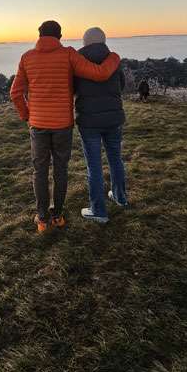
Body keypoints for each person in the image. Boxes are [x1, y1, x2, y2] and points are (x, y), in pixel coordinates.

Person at [10, 20, 121, 233]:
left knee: (40, 171)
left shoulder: (27, 58)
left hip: (38, 124)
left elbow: (15, 93)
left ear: (39, 35)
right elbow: (100, 73)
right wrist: (114, 57)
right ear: (59, 37)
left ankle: (42, 219)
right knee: (61, 170)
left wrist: (27, 115)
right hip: (62, 125)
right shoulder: (68, 54)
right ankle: (58, 216)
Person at [74, 27, 128, 224]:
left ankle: (98, 210)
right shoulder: (113, 61)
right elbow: (121, 85)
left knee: (94, 166)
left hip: (89, 122)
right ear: (104, 41)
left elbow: (72, 88)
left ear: (85, 42)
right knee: (116, 159)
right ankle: (121, 198)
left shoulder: (78, 62)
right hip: (114, 119)